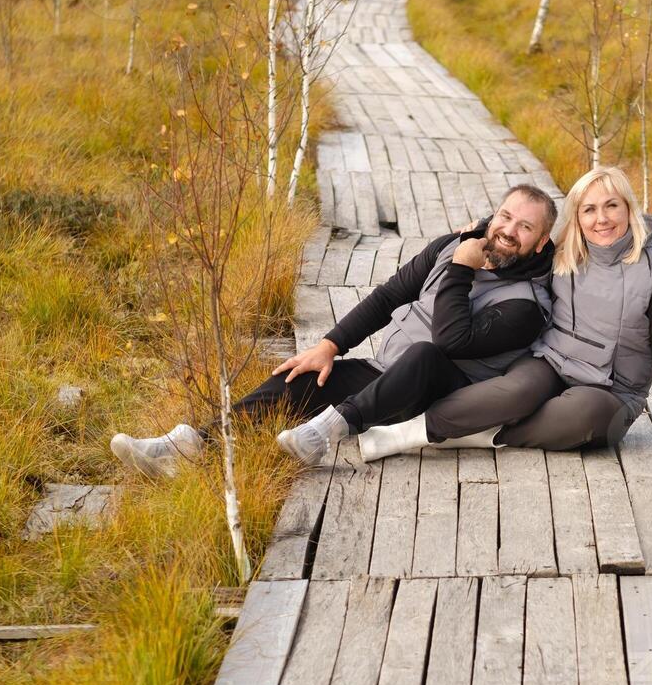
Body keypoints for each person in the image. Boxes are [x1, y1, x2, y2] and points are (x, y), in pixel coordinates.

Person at [109, 184, 557, 476]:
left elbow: (449, 341)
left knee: (425, 353)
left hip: (439, 396)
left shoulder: (528, 305)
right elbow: (388, 296)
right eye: (505, 216)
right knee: (303, 375)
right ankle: (191, 446)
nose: (508, 230)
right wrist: (329, 344)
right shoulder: (452, 245)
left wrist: (462, 270)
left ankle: (326, 431)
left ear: (540, 242)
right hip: (385, 373)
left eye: (525, 226)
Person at [355, 165, 652, 460]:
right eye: (589, 209)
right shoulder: (568, 253)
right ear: (578, 217)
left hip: (610, 389)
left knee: (589, 417)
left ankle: (463, 433)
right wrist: (479, 229)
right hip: (548, 363)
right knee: (516, 392)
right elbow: (516, 236)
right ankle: (409, 431)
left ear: (629, 209)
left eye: (611, 206)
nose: (601, 219)